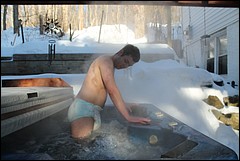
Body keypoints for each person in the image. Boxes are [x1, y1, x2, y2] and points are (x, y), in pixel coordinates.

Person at [68, 44, 151, 139]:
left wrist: (124, 104)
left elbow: (103, 90)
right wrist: (128, 117)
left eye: (128, 65)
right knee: (82, 146)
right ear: (120, 53)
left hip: (90, 110)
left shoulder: (110, 65)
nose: (125, 66)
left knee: (88, 145)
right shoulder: (105, 61)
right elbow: (112, 90)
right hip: (83, 109)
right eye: (126, 61)